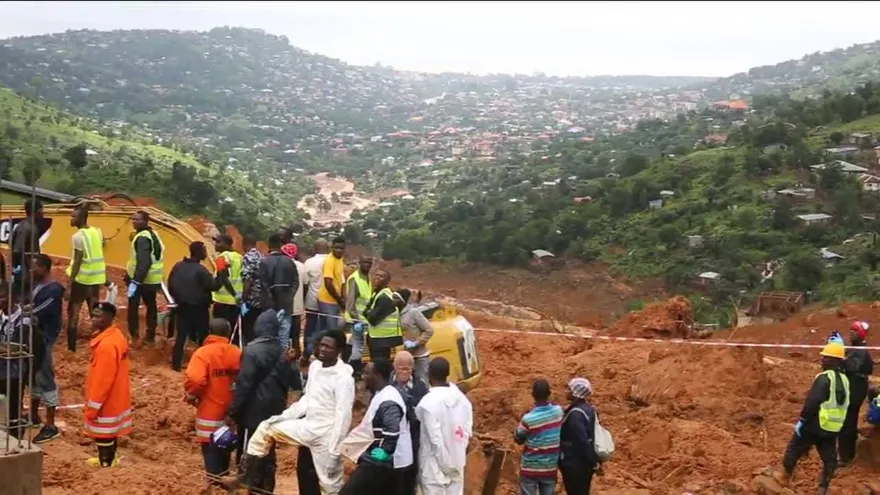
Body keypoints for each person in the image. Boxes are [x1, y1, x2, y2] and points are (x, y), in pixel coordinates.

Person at [239, 330, 355, 494]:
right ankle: (245, 478)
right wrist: (282, 417)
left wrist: (335, 449)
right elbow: (307, 400)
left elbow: (343, 415)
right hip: (308, 427)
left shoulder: (343, 378)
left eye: (328, 347)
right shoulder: (315, 367)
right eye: (321, 345)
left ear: (339, 351)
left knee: (330, 487)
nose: (322, 349)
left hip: (327, 437)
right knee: (266, 427)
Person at [226, 310, 302, 493]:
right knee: (268, 451)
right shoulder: (284, 352)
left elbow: (244, 385)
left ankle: (246, 486)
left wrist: (233, 412)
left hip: (253, 411)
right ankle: (266, 488)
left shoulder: (251, 350)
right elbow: (295, 383)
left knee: (249, 450)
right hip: (275, 410)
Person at [783, 342, 850, 494]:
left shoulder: (824, 378)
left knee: (793, 450)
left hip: (815, 425)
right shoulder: (845, 380)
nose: (822, 360)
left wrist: (802, 420)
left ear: (835, 360)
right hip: (832, 428)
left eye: (826, 358)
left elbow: (812, 402)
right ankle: (823, 487)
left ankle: (784, 479)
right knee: (829, 459)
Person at [184, 318, 242, 485]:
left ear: (209, 333)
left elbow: (195, 379)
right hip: (230, 414)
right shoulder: (236, 352)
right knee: (225, 450)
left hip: (208, 413)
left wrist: (192, 394)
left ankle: (214, 485)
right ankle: (223, 483)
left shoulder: (202, 353)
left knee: (210, 454)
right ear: (228, 333)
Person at [340, 359, 410, 495]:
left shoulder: (388, 399)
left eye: (367, 373)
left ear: (377, 375)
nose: (363, 377)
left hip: (384, 463)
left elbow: (392, 429)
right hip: (385, 462)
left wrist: (385, 452)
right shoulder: (381, 394)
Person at [414, 357, 473, 495]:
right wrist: (455, 462)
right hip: (457, 463)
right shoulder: (462, 399)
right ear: (447, 373)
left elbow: (436, 440)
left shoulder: (428, 403)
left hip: (434, 467)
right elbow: (467, 431)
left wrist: (446, 467)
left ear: (429, 374)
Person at [84, 302, 132, 467]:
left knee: (103, 434)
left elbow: (103, 380)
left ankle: (106, 463)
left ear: (110, 318)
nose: (93, 319)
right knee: (110, 433)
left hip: (107, 399)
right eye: (93, 315)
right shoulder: (115, 336)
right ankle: (111, 460)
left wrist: (94, 407)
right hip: (116, 395)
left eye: (98, 316)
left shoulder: (106, 345)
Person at [0, 281, 45, 440]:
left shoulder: (25, 320)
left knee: (13, 405)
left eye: (2, 297)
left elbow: (17, 348)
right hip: (2, 368)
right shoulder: (1, 315)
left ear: (13, 298)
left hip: (15, 372)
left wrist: (6, 348)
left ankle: (16, 436)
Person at [29, 254, 65, 444]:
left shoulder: (53, 290)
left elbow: (36, 311)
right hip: (35, 338)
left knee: (45, 377)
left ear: (44, 268)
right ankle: (34, 416)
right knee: (34, 375)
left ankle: (50, 425)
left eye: (34, 267)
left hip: (44, 339)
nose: (31, 271)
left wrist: (20, 312)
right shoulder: (38, 286)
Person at [168, 241, 220, 370]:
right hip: (199, 308)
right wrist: (222, 274)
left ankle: (176, 364)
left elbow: (171, 285)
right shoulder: (201, 270)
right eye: (204, 250)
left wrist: (179, 299)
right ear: (199, 252)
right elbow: (214, 286)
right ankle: (203, 364)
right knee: (203, 337)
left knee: (181, 336)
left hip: (182, 307)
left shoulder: (178, 266)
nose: (206, 253)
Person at [64, 205, 106, 353]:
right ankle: (101, 344)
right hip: (95, 279)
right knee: (95, 313)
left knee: (73, 314)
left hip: (81, 280)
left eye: (73, 216)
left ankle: (71, 349)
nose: (71, 219)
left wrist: (69, 285)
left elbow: (77, 261)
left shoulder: (78, 237)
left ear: (81, 218)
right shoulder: (97, 232)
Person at [515, 379, 563, 495]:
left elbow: (518, 439)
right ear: (549, 393)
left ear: (533, 395)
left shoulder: (528, 419)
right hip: (550, 467)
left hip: (530, 468)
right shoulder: (558, 412)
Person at [392, 350, 429, 495]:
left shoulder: (420, 386)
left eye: (406, 368)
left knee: (411, 473)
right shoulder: (389, 384)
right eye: (399, 368)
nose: (403, 372)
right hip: (395, 437)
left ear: (412, 368)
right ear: (394, 368)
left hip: (414, 436)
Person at [125, 210, 164, 344]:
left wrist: (135, 281)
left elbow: (144, 262)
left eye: (138, 220)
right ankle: (151, 335)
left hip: (142, 279)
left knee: (133, 307)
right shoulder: (154, 234)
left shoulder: (142, 238)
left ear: (146, 221)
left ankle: (134, 336)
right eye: (133, 219)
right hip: (153, 280)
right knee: (151, 306)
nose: (134, 222)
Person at [839, 321, 873, 466]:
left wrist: (840, 360)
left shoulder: (859, 350)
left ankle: (846, 457)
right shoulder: (856, 349)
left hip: (856, 388)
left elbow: (852, 366)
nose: (850, 333)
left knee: (848, 421)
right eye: (850, 330)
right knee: (848, 420)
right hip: (855, 387)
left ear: (860, 334)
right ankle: (847, 454)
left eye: (854, 331)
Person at [559, 377, 601, 495]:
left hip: (575, 464)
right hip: (584, 465)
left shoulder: (575, 415)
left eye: (569, 389)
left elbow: (582, 441)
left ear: (575, 392)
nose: (567, 392)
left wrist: (593, 461)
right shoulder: (589, 409)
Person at [259, 234, 299, 350]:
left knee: (269, 334)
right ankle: (283, 359)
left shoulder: (264, 262)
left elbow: (264, 285)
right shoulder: (289, 262)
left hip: (269, 307)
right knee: (284, 334)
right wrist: (288, 298)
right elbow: (295, 283)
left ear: (269, 245)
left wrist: (271, 301)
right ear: (281, 246)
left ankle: (270, 359)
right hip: (286, 306)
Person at [361, 269, 404, 361]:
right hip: (378, 339)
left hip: (382, 340)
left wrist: (369, 312)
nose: (377, 278)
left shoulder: (385, 297)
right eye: (376, 275)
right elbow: (365, 312)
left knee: (379, 367)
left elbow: (372, 319)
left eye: (381, 276)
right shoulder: (377, 294)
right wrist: (369, 312)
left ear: (387, 281)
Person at [11, 198, 43, 302]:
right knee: (23, 301)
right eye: (42, 210)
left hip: (30, 273)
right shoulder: (25, 227)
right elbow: (17, 251)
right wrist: (19, 271)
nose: (43, 213)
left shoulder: (32, 226)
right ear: (37, 211)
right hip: (25, 276)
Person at [345, 257, 373, 377]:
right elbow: (350, 304)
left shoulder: (368, 278)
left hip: (364, 318)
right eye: (365, 262)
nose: (367, 265)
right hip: (356, 319)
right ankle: (353, 370)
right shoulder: (354, 279)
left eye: (369, 263)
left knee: (353, 342)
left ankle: (344, 362)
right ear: (359, 263)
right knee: (359, 345)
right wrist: (357, 320)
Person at [399, 289, 434, 383]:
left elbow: (429, 330)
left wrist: (416, 342)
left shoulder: (413, 312)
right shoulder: (396, 315)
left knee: (422, 383)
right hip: (405, 357)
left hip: (419, 356)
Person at [303, 239, 329, 354]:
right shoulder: (332, 261)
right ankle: (322, 351)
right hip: (328, 301)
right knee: (325, 328)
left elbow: (305, 283)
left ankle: (307, 351)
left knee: (310, 326)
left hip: (311, 299)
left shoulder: (309, 262)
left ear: (315, 248)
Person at [212, 234, 243, 330]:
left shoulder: (222, 257)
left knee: (220, 329)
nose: (215, 245)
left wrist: (234, 294)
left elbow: (224, 277)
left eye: (218, 242)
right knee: (232, 329)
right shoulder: (239, 257)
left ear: (226, 244)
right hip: (236, 301)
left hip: (222, 301)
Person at [240, 234, 266, 346]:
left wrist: (244, 299)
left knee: (248, 328)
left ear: (244, 244)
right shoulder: (261, 256)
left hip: (251, 299)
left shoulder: (248, 257)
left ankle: (249, 352)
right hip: (261, 298)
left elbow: (248, 279)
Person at [317, 237, 346, 333]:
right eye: (336, 248)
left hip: (335, 300)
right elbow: (328, 284)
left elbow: (340, 280)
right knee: (331, 331)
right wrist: (340, 300)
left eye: (341, 248)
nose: (339, 250)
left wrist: (342, 297)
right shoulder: (330, 260)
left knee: (333, 328)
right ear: (331, 248)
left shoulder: (340, 259)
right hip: (327, 301)